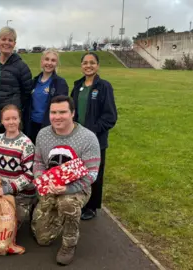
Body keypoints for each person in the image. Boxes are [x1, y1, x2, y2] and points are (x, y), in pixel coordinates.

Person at [31, 95, 101, 266]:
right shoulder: (43, 134)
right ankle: (52, 214)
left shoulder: (88, 137)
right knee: (43, 239)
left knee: (67, 204)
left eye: (62, 112)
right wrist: (43, 182)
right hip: (51, 184)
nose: (57, 116)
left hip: (77, 188)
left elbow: (92, 174)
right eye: (53, 112)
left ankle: (69, 243)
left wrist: (67, 189)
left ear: (73, 113)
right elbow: (38, 162)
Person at [70, 52, 117, 220]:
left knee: (94, 173)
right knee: (78, 171)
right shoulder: (77, 86)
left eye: (92, 63)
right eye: (85, 63)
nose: (88, 66)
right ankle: (78, 200)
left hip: (96, 139)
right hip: (76, 138)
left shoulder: (104, 87)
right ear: (81, 65)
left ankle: (92, 206)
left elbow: (110, 116)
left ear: (97, 65)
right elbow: (71, 112)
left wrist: (92, 131)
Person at [0, 26, 33, 144]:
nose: (7, 43)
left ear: (14, 43)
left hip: (10, 118)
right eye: (4, 39)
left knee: (11, 150)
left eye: (10, 40)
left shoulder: (21, 67)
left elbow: (26, 92)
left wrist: (14, 106)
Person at [24, 48, 69, 144]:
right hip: (31, 126)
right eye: (47, 59)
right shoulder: (34, 81)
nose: (49, 63)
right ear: (42, 62)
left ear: (56, 63)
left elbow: (61, 109)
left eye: (53, 60)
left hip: (49, 127)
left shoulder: (60, 83)